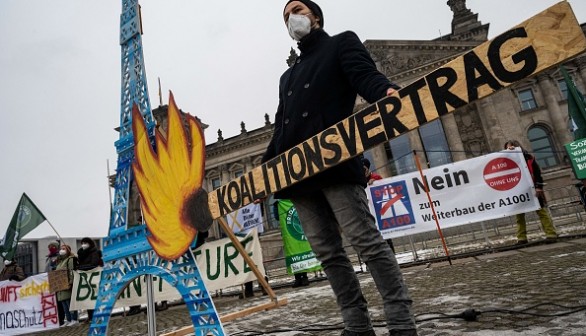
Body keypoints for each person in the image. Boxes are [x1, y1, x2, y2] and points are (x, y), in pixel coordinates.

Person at [260, 2, 417, 335]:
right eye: (285, 16)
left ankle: (401, 320)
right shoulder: (286, 76)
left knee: (366, 241)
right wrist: (264, 169)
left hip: (334, 160)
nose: (291, 18)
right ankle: (356, 324)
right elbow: (280, 127)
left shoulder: (340, 43)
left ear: (315, 16)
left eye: (297, 9)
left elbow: (365, 76)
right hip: (296, 175)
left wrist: (385, 91)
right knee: (327, 253)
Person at [504, 140, 558, 244]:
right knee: (519, 216)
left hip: (532, 189)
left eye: (511, 148)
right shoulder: (506, 162)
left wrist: (538, 187)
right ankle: (521, 238)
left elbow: (537, 174)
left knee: (542, 212)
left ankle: (551, 234)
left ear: (517, 147)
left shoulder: (529, 159)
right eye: (506, 148)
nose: (508, 150)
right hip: (518, 192)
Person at [362, 158, 396, 254]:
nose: (362, 172)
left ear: (368, 169)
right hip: (367, 213)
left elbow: (386, 189)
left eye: (364, 169)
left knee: (386, 236)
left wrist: (376, 182)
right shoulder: (359, 180)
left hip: (380, 213)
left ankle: (391, 255)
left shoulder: (376, 177)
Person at [77, 238, 104, 321]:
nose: (83, 244)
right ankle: (90, 316)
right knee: (88, 298)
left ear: (90, 244)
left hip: (93, 277)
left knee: (94, 297)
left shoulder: (94, 252)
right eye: (82, 243)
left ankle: (97, 315)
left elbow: (94, 264)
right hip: (86, 278)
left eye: (85, 243)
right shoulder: (81, 253)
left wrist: (81, 268)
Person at [56, 244, 79, 327]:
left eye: (64, 249)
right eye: (61, 248)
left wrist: (71, 281)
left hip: (67, 283)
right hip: (61, 286)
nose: (61, 250)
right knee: (64, 304)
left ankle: (74, 319)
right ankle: (69, 319)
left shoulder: (70, 259)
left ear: (68, 250)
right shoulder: (60, 262)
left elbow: (71, 271)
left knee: (70, 302)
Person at [45, 241, 65, 326]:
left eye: (53, 246)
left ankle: (62, 319)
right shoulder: (48, 258)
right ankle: (58, 320)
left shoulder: (60, 256)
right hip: (51, 281)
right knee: (55, 302)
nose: (51, 248)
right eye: (50, 246)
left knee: (61, 301)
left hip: (59, 281)